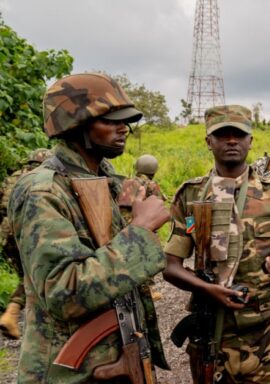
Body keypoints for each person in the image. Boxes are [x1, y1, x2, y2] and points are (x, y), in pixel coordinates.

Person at [8, 72, 170, 382]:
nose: (123, 128)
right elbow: (64, 292)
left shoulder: (104, 182)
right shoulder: (43, 191)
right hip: (69, 373)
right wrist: (139, 232)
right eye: (110, 120)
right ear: (75, 124)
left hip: (111, 362)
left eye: (125, 120)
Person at [163, 105, 270, 383]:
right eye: (222, 134)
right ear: (208, 142)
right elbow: (170, 267)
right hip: (216, 333)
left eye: (239, 135)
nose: (231, 141)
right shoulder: (191, 195)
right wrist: (208, 289)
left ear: (250, 141)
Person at [0, 148, 51, 340]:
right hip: (27, 232)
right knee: (33, 277)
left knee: (26, 276)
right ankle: (13, 315)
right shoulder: (42, 178)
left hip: (6, 232)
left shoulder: (13, 177)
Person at [118, 153, 168, 301]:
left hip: (125, 224)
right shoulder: (151, 185)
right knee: (147, 254)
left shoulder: (126, 182)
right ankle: (149, 290)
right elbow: (160, 202)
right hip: (144, 224)